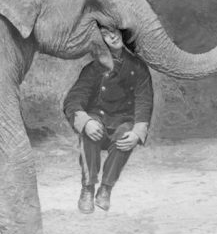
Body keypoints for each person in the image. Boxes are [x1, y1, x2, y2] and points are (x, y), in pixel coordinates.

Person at [63, 27, 153, 213]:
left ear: (121, 33)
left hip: (123, 121)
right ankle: (88, 188)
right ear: (99, 40)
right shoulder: (93, 68)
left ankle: (106, 188)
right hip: (99, 118)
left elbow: (144, 101)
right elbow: (73, 99)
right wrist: (86, 122)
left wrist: (137, 132)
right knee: (89, 132)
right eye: (105, 33)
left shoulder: (138, 67)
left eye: (114, 31)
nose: (112, 36)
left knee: (126, 136)